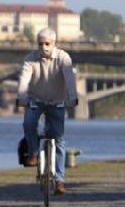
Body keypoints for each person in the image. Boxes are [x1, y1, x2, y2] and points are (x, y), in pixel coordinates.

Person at [16, 28, 78, 194]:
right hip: (36, 99)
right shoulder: (30, 59)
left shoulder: (64, 58)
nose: (43, 46)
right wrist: (21, 96)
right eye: (40, 43)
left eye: (47, 43)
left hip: (57, 101)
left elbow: (69, 79)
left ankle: (59, 180)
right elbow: (24, 79)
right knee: (28, 123)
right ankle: (34, 152)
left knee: (58, 139)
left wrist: (72, 97)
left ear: (54, 43)